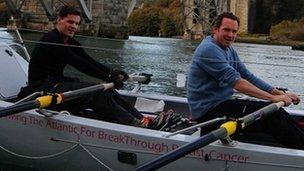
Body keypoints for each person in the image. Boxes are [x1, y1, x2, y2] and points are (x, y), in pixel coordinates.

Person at [18, 5, 158, 128]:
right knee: (97, 92)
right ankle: (135, 125)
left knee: (108, 90)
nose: (74, 26)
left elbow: (88, 60)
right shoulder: (51, 39)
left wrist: (112, 72)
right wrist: (108, 77)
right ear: (59, 20)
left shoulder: (69, 41)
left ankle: (142, 119)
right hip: (41, 88)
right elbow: (77, 63)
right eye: (70, 22)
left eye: (77, 23)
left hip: (56, 83)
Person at [187, 12, 304, 149]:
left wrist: (278, 93)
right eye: (226, 30)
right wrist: (272, 98)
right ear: (215, 29)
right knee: (272, 116)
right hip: (209, 114)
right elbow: (237, 82)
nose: (230, 35)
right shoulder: (208, 49)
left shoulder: (228, 48)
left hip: (223, 105)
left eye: (234, 31)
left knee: (276, 114)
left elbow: (247, 76)